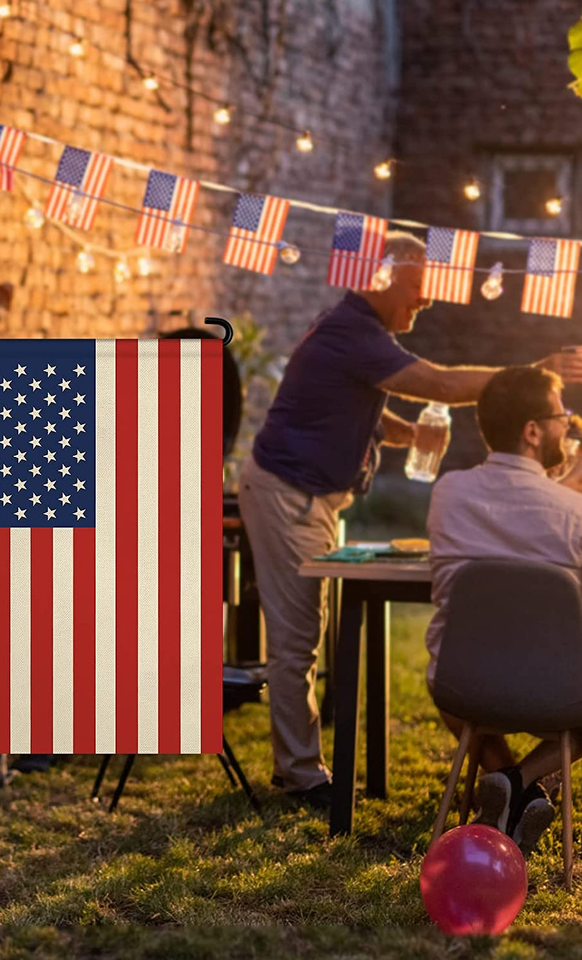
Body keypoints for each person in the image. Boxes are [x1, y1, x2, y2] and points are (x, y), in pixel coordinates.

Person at [237, 231, 582, 809]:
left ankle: (507, 782)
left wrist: (404, 433)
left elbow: (352, 407)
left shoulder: (356, 334)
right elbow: (439, 384)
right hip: (288, 494)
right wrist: (531, 372)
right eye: (418, 285)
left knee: (311, 637)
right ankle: (301, 777)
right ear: (379, 276)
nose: (427, 298)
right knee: (297, 641)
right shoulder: (354, 333)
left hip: (311, 496)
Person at [426, 366, 582, 855]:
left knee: (465, 698)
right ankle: (525, 780)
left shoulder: (447, 492)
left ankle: (509, 787)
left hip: (461, 688)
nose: (568, 424)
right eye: (560, 416)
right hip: (559, 694)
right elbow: (550, 514)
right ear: (532, 431)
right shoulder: (574, 513)